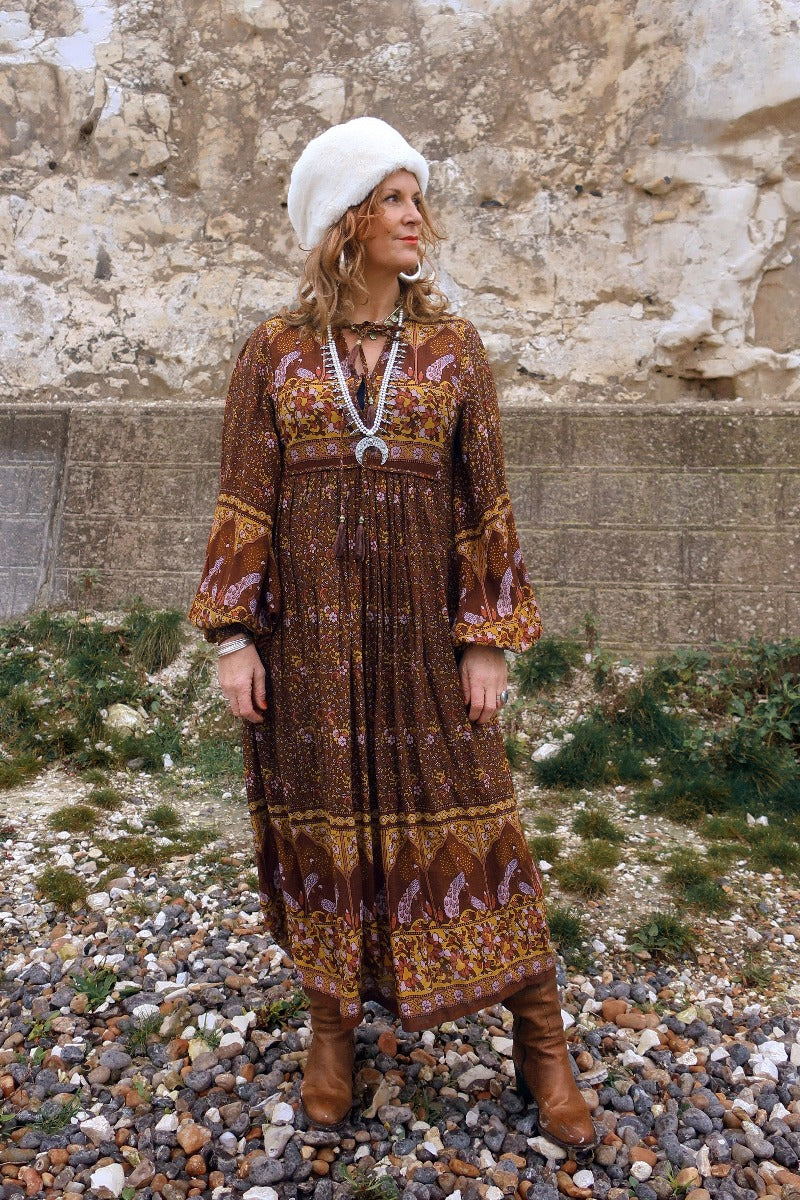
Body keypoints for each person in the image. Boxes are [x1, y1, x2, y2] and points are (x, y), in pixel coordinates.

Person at [188, 116, 596, 1155]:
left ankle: (539, 1040)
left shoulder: (453, 349)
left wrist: (486, 636)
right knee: (325, 828)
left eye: (417, 200)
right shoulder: (273, 352)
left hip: (423, 638)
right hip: (314, 646)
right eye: (393, 200)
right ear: (345, 222)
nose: (416, 219)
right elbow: (245, 499)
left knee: (480, 827)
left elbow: (483, 503)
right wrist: (235, 634)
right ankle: (333, 1028)